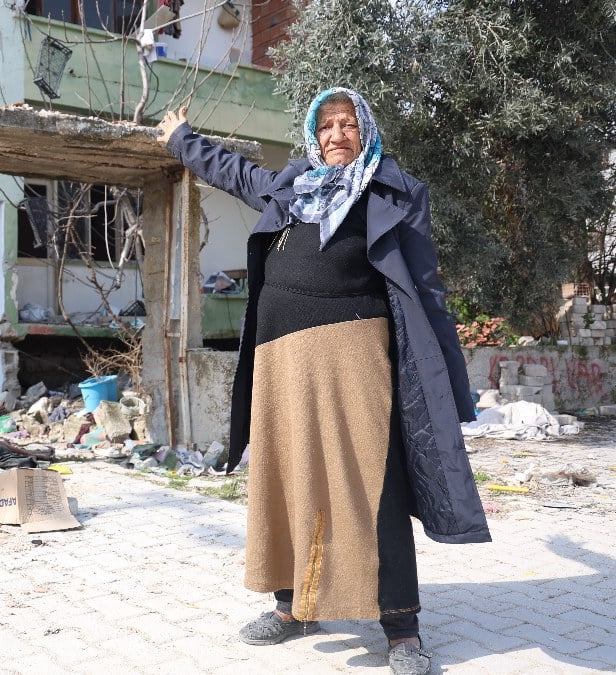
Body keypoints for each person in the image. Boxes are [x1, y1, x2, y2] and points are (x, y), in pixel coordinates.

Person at [156, 88, 491, 675]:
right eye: (327, 125)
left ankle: (402, 629)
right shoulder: (292, 187)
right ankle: (294, 607)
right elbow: (234, 172)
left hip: (356, 360)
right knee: (289, 477)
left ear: (366, 130)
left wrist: (451, 384)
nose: (337, 135)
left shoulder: (395, 193)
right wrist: (182, 140)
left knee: (374, 484)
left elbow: (427, 288)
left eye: (348, 124)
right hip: (280, 360)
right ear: (314, 133)